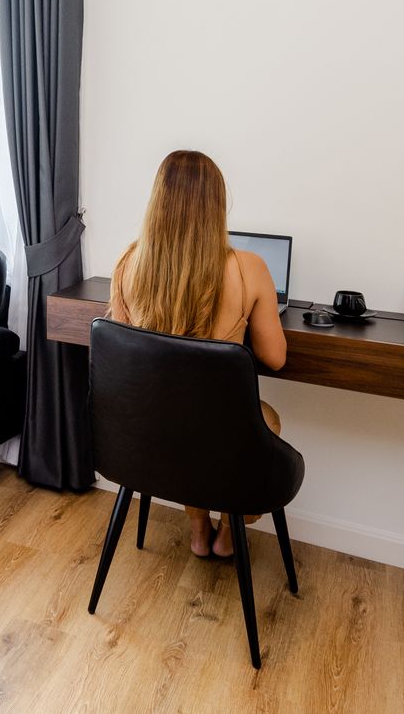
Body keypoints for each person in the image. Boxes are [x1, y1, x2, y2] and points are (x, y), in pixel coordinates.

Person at [107, 149, 288, 559]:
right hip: (216, 434)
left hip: (148, 429)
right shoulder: (248, 267)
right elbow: (275, 357)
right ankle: (228, 530)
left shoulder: (129, 262)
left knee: (184, 423)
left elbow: (126, 354)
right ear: (217, 205)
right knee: (267, 419)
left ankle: (197, 527)